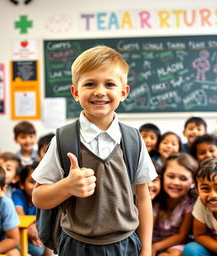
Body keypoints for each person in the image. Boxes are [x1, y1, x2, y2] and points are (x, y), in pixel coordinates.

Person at [32, 45, 157, 256]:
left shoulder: (134, 140)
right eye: (90, 84)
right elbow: (38, 197)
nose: (100, 91)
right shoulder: (63, 140)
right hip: (76, 246)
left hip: (125, 246)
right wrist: (67, 186)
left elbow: (143, 197)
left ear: (124, 92)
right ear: (75, 92)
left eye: (109, 84)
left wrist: (146, 250)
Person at [152, 153, 198, 256]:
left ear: (192, 183)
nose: (176, 182)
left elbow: (181, 235)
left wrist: (156, 247)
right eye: (171, 176)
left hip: (175, 243)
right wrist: (151, 247)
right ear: (163, 176)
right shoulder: (156, 199)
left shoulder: (190, 203)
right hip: (151, 240)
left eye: (183, 178)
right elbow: (148, 230)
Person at [183, 158, 217, 256]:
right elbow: (199, 235)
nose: (212, 196)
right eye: (205, 189)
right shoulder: (201, 203)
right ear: (197, 190)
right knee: (191, 249)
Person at [12, 162, 52, 256]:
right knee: (38, 251)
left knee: (49, 246)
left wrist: (38, 229)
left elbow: (49, 222)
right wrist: (30, 228)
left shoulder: (47, 197)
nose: (37, 186)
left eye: (42, 181)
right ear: (22, 184)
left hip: (40, 233)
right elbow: (20, 216)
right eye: (32, 182)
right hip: (22, 232)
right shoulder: (18, 195)